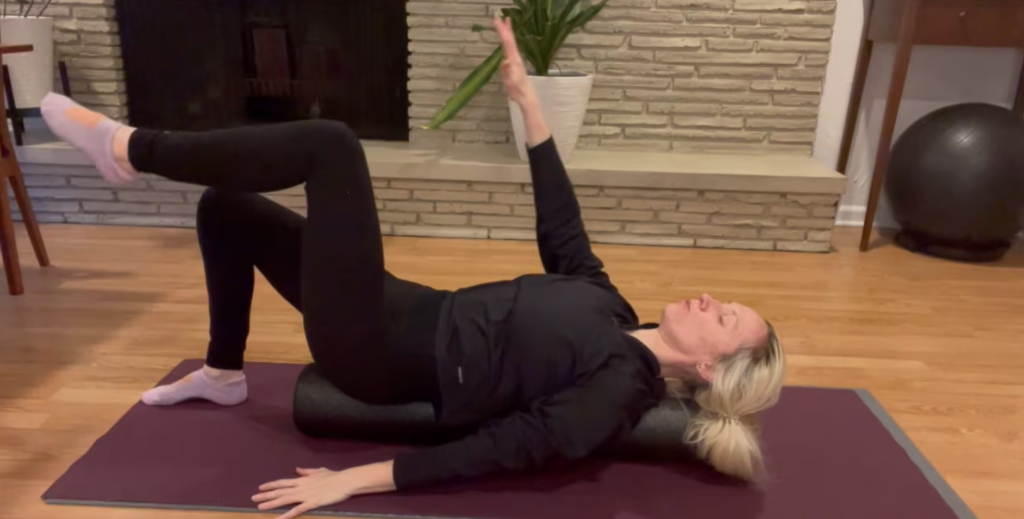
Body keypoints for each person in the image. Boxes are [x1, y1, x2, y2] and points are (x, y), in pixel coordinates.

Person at [42, 17, 785, 519]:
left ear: (715, 369)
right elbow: (562, 223)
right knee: (227, 209)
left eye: (724, 318)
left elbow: (506, 449)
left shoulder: (617, 391)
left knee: (332, 145)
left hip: (377, 351)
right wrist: (527, 100)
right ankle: (223, 372)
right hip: (400, 302)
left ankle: (130, 149)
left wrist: (354, 481)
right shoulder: (612, 308)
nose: (711, 299)